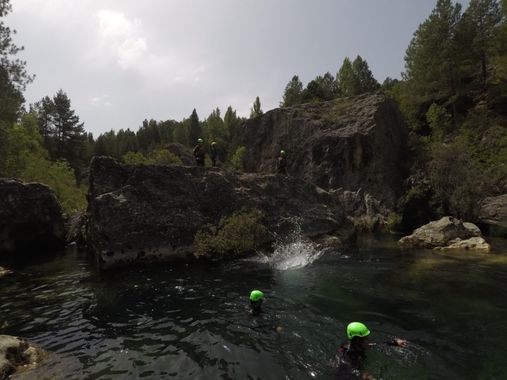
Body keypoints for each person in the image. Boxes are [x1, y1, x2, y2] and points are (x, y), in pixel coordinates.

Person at [336, 322, 407, 380]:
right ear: (358, 340)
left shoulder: (357, 345)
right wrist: (362, 376)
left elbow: (375, 344)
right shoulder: (349, 355)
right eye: (366, 338)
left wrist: (394, 342)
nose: (369, 340)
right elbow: (345, 371)